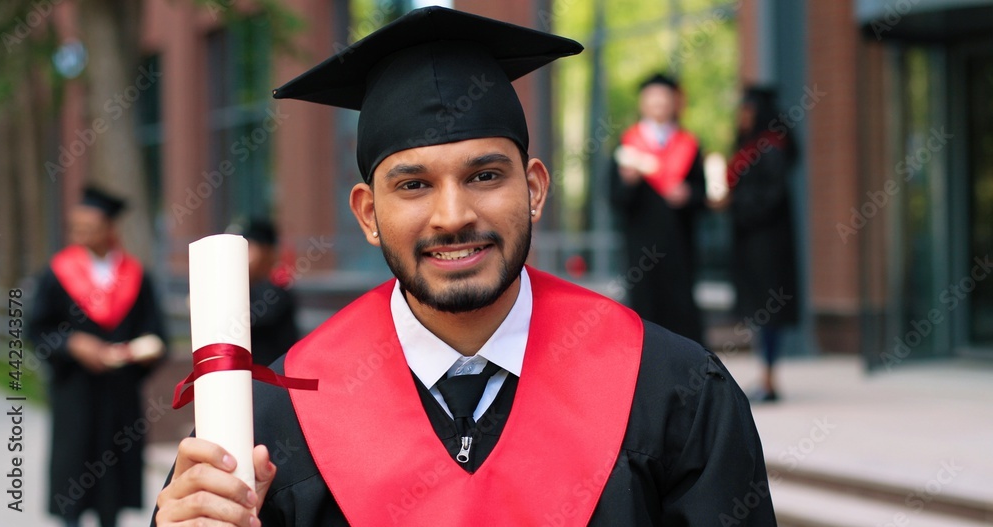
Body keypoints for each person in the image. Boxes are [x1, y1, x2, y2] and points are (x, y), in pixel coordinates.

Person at [153, 7, 774, 526]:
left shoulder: (673, 392)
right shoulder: (276, 425)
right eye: (414, 184)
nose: (452, 216)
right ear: (368, 214)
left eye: (484, 175)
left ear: (534, 189)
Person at [30, 186, 168, 527]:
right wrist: (71, 344)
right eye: (75, 228)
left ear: (110, 229)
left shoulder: (136, 276)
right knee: (73, 471)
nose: (79, 235)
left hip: (118, 393)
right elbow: (37, 329)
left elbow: (157, 333)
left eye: (88, 228)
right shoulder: (57, 273)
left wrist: (139, 351)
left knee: (114, 475)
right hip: (74, 392)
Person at [610, 73, 707, 344]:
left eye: (664, 97)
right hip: (641, 247)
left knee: (681, 312)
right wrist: (627, 184)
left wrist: (689, 195)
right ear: (642, 103)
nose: (658, 103)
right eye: (651, 97)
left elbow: (704, 195)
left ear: (674, 102)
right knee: (644, 312)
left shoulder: (689, 145)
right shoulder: (628, 145)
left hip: (679, 245)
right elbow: (613, 199)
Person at [727, 86, 800, 402]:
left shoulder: (770, 149)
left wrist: (734, 204)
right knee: (761, 312)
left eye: (747, 111)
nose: (742, 118)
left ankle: (770, 380)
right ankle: (766, 376)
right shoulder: (750, 148)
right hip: (753, 242)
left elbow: (770, 197)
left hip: (769, 245)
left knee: (769, 311)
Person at [237, 218, 300, 366]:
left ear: (266, 252)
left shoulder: (276, 292)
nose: (244, 255)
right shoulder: (248, 286)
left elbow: (250, 317)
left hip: (270, 376)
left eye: (250, 247)